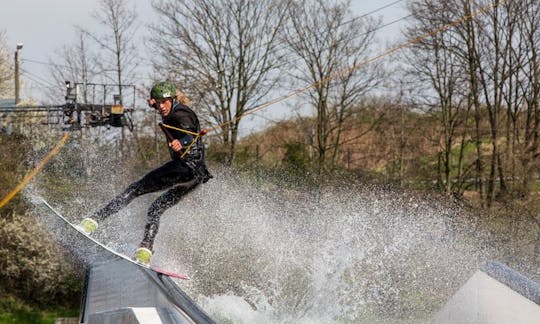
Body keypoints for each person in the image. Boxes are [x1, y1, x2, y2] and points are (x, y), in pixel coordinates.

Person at [78, 81, 212, 264]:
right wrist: (154, 103)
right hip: (195, 177)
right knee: (155, 209)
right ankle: (145, 250)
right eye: (158, 102)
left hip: (184, 168)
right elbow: (162, 106)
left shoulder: (182, 113)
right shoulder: (168, 107)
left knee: (134, 189)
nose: (162, 106)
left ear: (172, 100)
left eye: (165, 102)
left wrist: (183, 142)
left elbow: (189, 132)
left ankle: (92, 222)